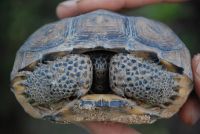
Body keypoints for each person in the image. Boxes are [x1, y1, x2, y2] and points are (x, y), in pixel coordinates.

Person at [56, 0, 200, 133]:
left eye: (105, 66)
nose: (100, 72)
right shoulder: (76, 67)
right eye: (94, 66)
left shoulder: (123, 66)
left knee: (122, 66)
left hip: (139, 69)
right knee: (77, 68)